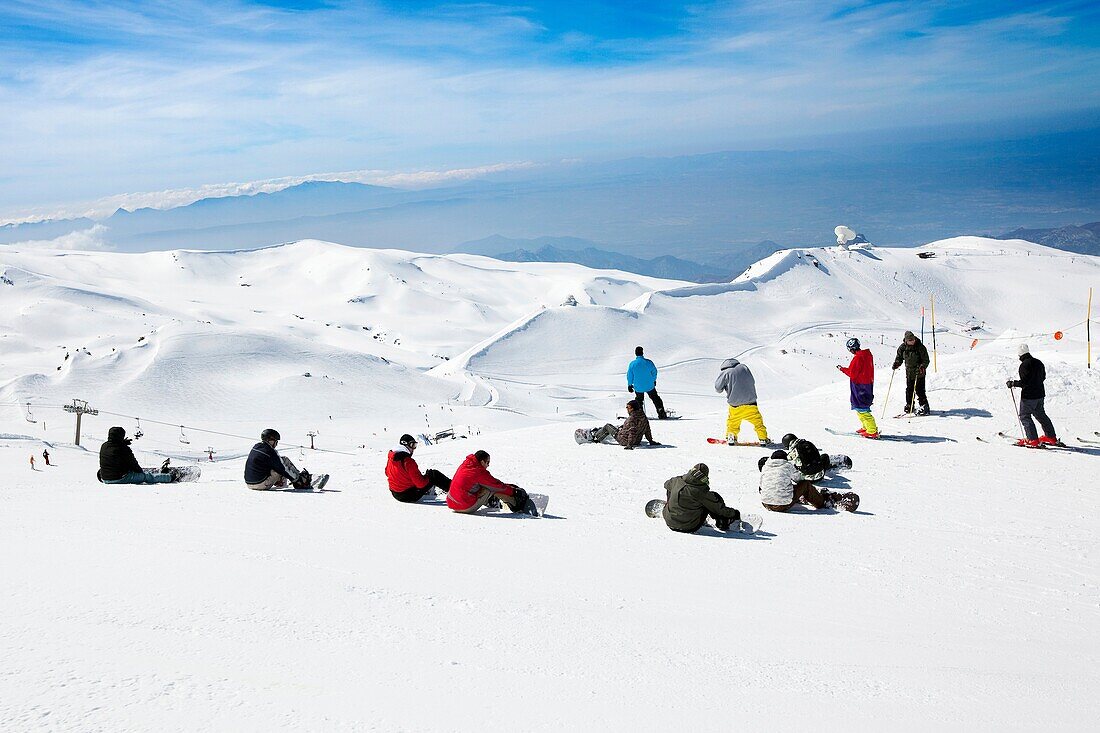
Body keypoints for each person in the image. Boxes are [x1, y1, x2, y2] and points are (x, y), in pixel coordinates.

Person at [758, 450, 859, 512]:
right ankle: (822, 502)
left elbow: (761, 486)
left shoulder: (766, 466)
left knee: (775, 483)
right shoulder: (787, 465)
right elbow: (798, 479)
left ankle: (784, 496)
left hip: (765, 503)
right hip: (782, 506)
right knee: (805, 485)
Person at [661, 463, 744, 533]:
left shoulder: (676, 480)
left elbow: (666, 484)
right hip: (689, 527)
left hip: (669, 522)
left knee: (671, 489)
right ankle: (722, 521)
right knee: (712, 499)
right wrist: (734, 513)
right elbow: (719, 509)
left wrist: (670, 500)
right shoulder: (701, 492)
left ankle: (673, 507)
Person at [447, 450, 533, 514]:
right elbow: (495, 485)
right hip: (464, 506)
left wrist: (508, 486)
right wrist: (514, 491)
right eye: (487, 462)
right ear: (482, 462)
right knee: (490, 489)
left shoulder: (466, 465)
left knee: (482, 486)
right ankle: (515, 504)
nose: (488, 465)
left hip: (452, 503)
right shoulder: (478, 472)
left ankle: (492, 501)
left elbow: (489, 482)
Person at [1006, 344, 1058, 447]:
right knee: (1041, 415)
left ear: (1020, 355)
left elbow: (1025, 382)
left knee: (1025, 416)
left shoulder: (1024, 365)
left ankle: (1032, 440)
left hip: (1029, 396)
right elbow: (1043, 377)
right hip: (1040, 394)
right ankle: (1051, 437)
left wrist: (1013, 383)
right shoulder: (1038, 362)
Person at [715, 357, 769, 445]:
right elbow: (752, 380)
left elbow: (718, 388)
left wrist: (726, 387)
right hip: (751, 403)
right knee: (758, 422)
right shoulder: (744, 367)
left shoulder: (725, 372)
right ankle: (763, 438)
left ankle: (731, 437)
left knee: (732, 422)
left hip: (735, 405)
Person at [385, 433, 451, 502]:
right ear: (405, 445)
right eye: (412, 445)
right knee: (434, 475)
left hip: (395, 493)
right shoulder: (408, 461)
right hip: (407, 495)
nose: (413, 449)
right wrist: (428, 477)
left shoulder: (392, 457)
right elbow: (421, 484)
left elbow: (387, 472)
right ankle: (455, 490)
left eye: (415, 445)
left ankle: (429, 490)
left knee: (420, 476)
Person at [98, 426, 177, 484]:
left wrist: (122, 443)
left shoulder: (104, 445)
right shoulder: (124, 449)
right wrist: (140, 473)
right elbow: (133, 463)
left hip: (105, 478)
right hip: (120, 478)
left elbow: (114, 452)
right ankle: (170, 477)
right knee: (148, 477)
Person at [244, 428, 312, 490]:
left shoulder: (257, 446)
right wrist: (296, 480)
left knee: (283, 460)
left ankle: (297, 477)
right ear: (270, 440)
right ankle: (299, 481)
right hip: (260, 484)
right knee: (280, 468)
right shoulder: (270, 451)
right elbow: (283, 469)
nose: (276, 444)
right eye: (276, 441)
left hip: (249, 483)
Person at [837, 338, 879, 438]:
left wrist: (842, 369)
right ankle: (866, 427)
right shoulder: (866, 355)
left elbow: (852, 373)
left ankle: (872, 431)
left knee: (862, 409)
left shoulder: (858, 358)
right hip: (866, 384)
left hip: (860, 386)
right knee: (860, 408)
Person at [582, 400, 659, 449]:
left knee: (607, 426)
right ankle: (602, 433)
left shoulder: (632, 418)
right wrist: (650, 441)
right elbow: (647, 429)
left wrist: (629, 445)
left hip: (623, 439)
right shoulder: (643, 416)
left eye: (628, 407)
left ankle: (595, 437)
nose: (626, 409)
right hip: (637, 440)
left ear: (632, 408)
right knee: (619, 427)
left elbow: (632, 431)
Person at [780, 433, 851, 482]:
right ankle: (832, 464)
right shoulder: (808, 443)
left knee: (790, 465)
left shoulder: (792, 451)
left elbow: (786, 461)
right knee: (824, 456)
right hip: (821, 475)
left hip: (806, 480)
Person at [892, 331, 931, 414]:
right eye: (910, 340)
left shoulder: (920, 347)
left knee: (920, 390)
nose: (912, 341)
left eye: (913, 339)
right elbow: (899, 357)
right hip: (909, 372)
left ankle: (924, 406)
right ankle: (909, 405)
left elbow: (926, 360)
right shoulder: (902, 348)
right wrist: (897, 363)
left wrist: (922, 367)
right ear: (906, 340)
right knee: (909, 389)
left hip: (919, 372)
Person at [626, 346, 668, 419]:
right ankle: (661, 413)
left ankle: (640, 416)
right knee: (656, 399)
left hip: (638, 387)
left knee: (639, 401)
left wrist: (630, 385)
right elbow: (654, 372)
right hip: (649, 385)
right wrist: (653, 380)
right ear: (642, 353)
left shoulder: (632, 364)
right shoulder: (649, 362)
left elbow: (630, 375)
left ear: (635, 353)